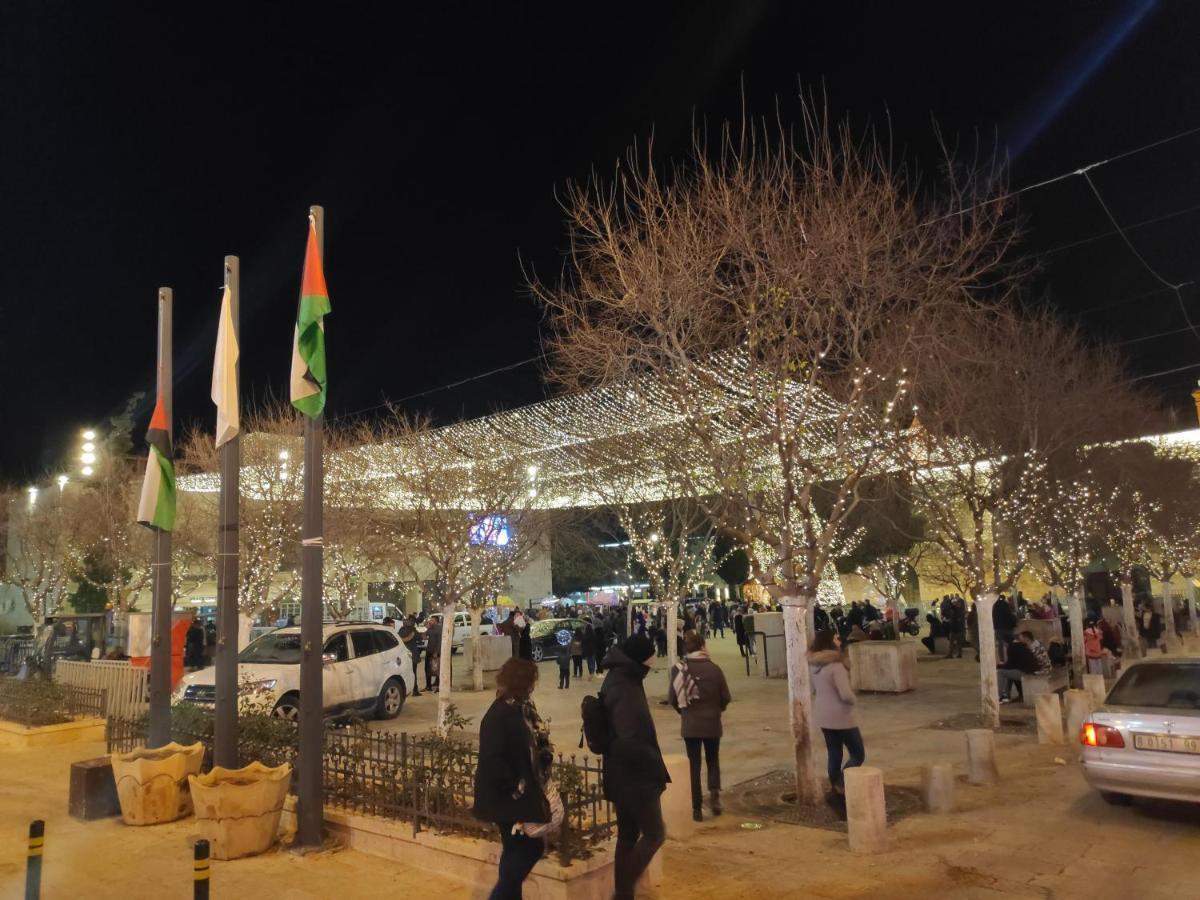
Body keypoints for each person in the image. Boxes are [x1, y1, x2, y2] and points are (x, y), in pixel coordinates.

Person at [472, 658, 553, 900]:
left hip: (515, 793)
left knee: (514, 848)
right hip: (507, 796)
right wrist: (517, 786)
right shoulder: (500, 713)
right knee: (532, 847)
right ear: (524, 682)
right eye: (531, 681)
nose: (533, 686)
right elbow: (493, 759)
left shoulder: (520, 707)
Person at [600, 634, 669, 900]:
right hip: (635, 775)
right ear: (641, 659)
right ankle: (621, 891)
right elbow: (631, 736)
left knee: (628, 834)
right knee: (654, 834)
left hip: (622, 773)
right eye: (651, 657)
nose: (653, 663)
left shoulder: (623, 678)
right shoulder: (624, 686)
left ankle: (623, 894)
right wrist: (652, 767)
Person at [668, 631, 731, 821]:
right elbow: (725, 697)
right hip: (712, 723)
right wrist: (715, 709)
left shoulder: (679, 669)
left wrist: (685, 712)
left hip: (691, 724)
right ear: (702, 646)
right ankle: (714, 797)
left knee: (693, 764)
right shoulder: (714, 668)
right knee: (713, 760)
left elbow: (672, 699)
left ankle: (696, 808)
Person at [809, 629, 864, 797]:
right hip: (842, 717)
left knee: (834, 752)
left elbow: (811, 689)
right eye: (836, 639)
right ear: (829, 642)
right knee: (857, 753)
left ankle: (835, 785)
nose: (840, 642)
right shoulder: (836, 665)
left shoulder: (813, 664)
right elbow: (846, 694)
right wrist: (854, 699)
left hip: (823, 715)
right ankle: (843, 781)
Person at [997, 630, 1051, 703]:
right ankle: (1008, 696)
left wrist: (999, 665)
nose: (1019, 640)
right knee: (1010, 672)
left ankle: (1000, 696)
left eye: (1021, 638)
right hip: (1045, 667)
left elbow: (1031, 664)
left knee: (1003, 672)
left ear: (1026, 638)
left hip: (1039, 671)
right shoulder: (1036, 643)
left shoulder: (1031, 648)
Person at [399, 625, 422, 697]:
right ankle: (415, 690)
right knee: (414, 673)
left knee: (404, 674)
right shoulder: (413, 630)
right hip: (412, 655)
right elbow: (419, 638)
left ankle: (404, 691)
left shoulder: (400, 631)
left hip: (403, 655)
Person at [425, 616, 442, 692]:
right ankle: (428, 686)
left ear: (436, 621)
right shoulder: (430, 628)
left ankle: (438, 686)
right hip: (429, 651)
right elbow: (424, 636)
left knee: (437, 669)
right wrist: (427, 628)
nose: (430, 621)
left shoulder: (438, 629)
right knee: (427, 669)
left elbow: (439, 641)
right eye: (430, 620)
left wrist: (436, 652)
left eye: (432, 620)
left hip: (435, 652)